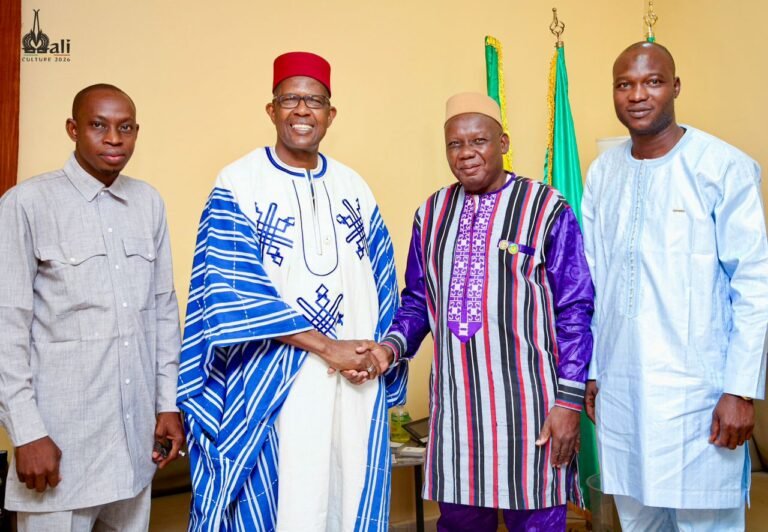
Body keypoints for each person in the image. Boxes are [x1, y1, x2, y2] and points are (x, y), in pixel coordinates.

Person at [176, 51, 407, 531]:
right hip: (274, 384)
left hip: (353, 386)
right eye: (290, 99)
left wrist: (374, 356)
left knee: (348, 496)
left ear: (331, 114)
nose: (303, 110)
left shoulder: (354, 186)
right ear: (271, 109)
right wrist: (327, 348)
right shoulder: (237, 183)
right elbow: (229, 292)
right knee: (284, 505)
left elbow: (384, 282)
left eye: (314, 101)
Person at [373, 93, 594, 531]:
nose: (466, 153)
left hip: (532, 411)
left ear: (503, 142)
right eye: (455, 144)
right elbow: (418, 299)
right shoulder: (430, 214)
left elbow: (574, 307)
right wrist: (390, 348)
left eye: (479, 141)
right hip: (456, 413)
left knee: (537, 523)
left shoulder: (545, 208)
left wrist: (568, 402)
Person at [582, 41, 768, 532]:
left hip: (700, 399)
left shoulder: (722, 167)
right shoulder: (603, 174)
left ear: (676, 87)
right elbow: (594, 281)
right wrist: (594, 371)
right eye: (624, 84)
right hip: (624, 393)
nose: (637, 95)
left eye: (652, 82)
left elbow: (754, 285)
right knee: (638, 522)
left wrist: (740, 390)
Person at [0, 84, 184, 531]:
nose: (114, 138)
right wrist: (27, 432)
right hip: (59, 451)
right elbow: (7, 325)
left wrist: (168, 404)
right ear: (73, 129)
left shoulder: (148, 203)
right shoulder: (27, 203)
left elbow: (163, 312)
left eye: (126, 127)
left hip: (134, 450)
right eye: (98, 125)